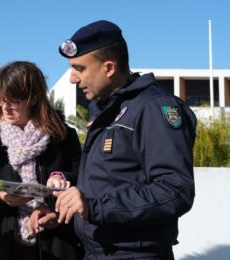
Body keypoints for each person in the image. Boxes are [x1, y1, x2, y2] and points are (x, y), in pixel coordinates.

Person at [54, 20, 197, 259]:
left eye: (79, 68)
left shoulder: (153, 108)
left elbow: (175, 190)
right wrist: (67, 202)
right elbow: (111, 180)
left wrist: (94, 207)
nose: (72, 79)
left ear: (109, 68)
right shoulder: (108, 110)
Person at [0, 61, 84, 260]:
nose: (5, 108)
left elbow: (84, 179)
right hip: (11, 242)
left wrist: (61, 180)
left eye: (13, 101)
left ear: (34, 98)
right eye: (1, 100)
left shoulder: (64, 136)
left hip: (60, 243)